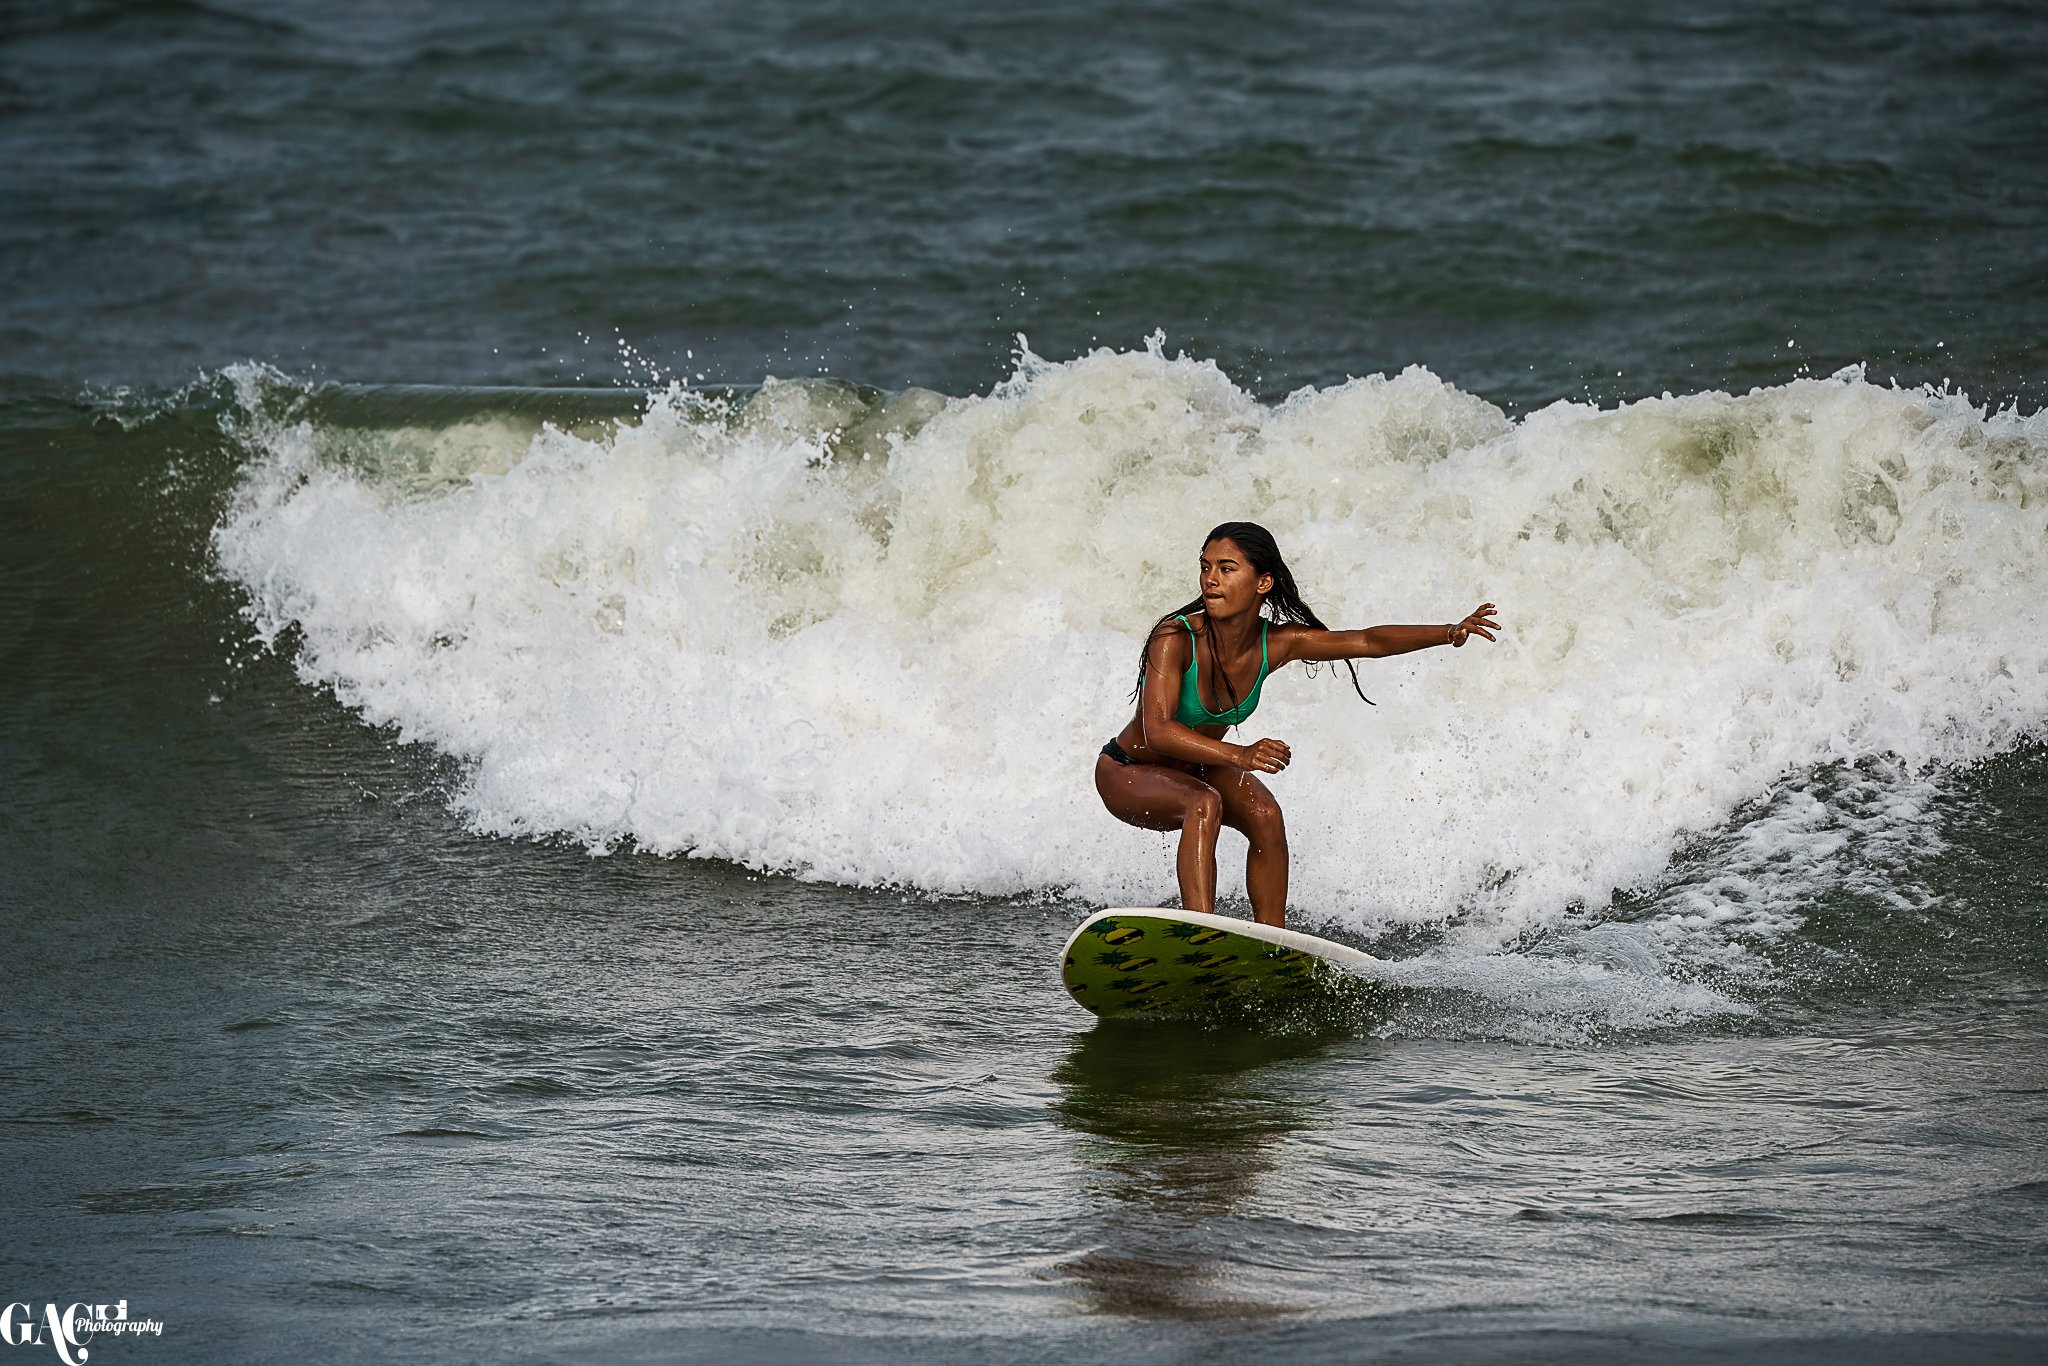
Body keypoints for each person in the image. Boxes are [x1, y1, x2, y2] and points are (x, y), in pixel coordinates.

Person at [1095, 521, 1498, 928]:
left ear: (1263, 582)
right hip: (1128, 771)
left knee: (1265, 813)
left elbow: (1367, 641)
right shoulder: (1176, 638)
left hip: (1196, 769)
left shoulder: (1278, 643)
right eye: (1205, 567)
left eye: (1226, 568)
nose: (1210, 580)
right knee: (1204, 802)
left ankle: (1273, 941)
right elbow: (1158, 731)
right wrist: (1241, 754)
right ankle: (1202, 933)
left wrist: (1448, 632)